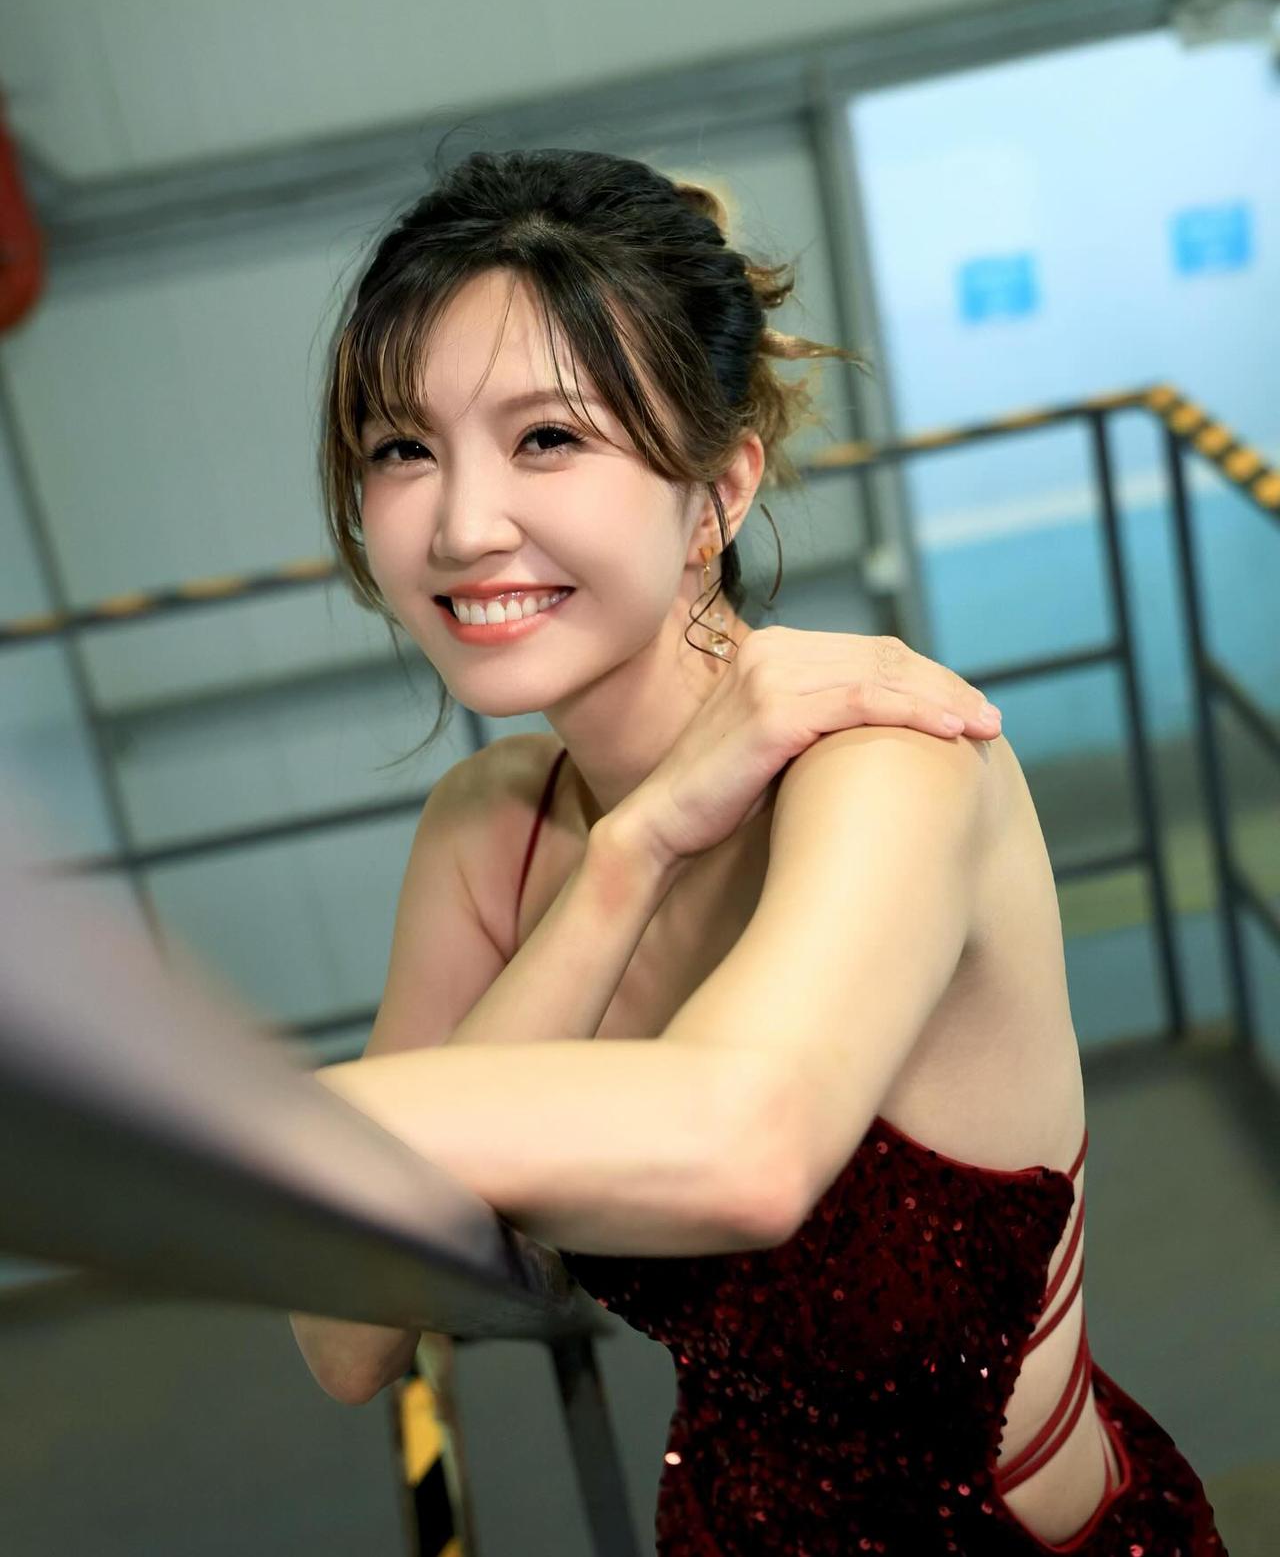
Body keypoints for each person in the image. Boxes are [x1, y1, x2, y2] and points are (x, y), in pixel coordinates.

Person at [295, 148, 1226, 1554]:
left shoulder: (883, 760)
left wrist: (330, 1127)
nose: (464, 525)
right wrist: (628, 857)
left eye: (547, 439)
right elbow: (348, 1336)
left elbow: (751, 1150)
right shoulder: (493, 837)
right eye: (401, 449)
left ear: (720, 492)